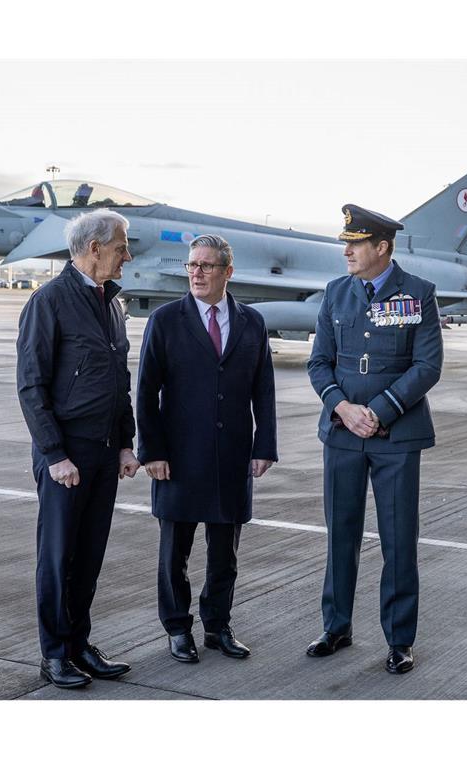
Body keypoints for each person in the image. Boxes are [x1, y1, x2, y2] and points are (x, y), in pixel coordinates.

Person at [305, 204, 443, 675]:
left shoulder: (419, 293)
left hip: (396, 437)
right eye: (346, 244)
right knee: (340, 534)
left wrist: (380, 411)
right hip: (342, 433)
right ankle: (336, 627)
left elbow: (427, 366)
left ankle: (400, 640)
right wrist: (343, 408)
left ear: (382, 247)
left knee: (398, 540)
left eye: (356, 244)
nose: (346, 251)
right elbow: (318, 362)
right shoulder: (336, 292)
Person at [136, 234, 277, 664]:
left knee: (224, 554)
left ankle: (217, 626)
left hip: (232, 456)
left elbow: (263, 389)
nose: (196, 273)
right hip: (178, 458)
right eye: (192, 265)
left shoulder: (252, 322)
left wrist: (264, 445)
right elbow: (145, 391)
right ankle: (178, 628)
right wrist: (151, 451)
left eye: (206, 266)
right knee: (174, 553)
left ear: (227, 272)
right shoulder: (165, 320)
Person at [16, 209, 142, 689]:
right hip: (67, 456)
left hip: (105, 452)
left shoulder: (110, 303)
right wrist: (54, 454)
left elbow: (119, 380)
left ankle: (78, 644)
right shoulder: (49, 301)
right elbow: (31, 386)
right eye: (121, 247)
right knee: (58, 556)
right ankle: (54, 654)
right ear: (95, 248)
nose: (127, 256)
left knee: (88, 556)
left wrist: (126, 443)